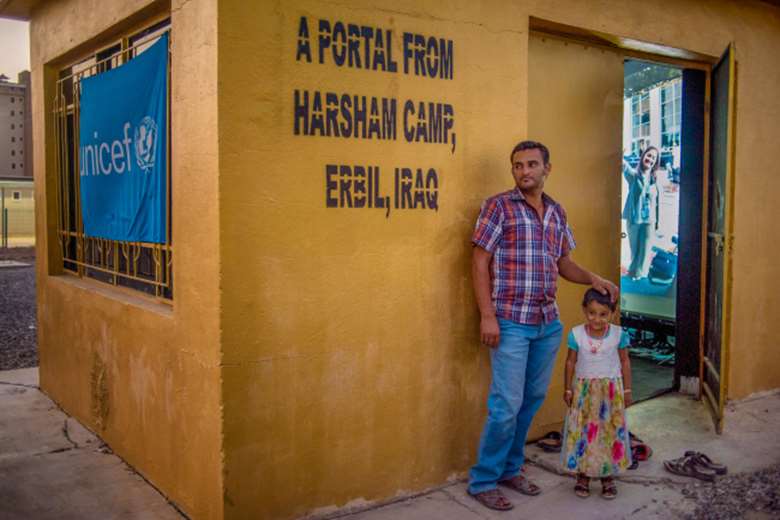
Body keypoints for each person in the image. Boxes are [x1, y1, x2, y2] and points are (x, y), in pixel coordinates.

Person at [468, 140, 619, 511]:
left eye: (532, 164)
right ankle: (483, 480)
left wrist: (594, 279)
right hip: (511, 322)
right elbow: (478, 262)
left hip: (546, 323)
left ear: (547, 168)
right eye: (518, 165)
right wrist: (487, 314)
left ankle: (510, 468)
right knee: (506, 404)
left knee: (531, 399)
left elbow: (563, 263)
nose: (524, 171)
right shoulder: (498, 207)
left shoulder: (556, 212)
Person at [561, 288, 633, 499]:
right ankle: (583, 475)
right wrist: (567, 388)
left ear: (612, 312)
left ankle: (607, 477)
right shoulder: (576, 334)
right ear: (584, 310)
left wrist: (627, 390)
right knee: (583, 432)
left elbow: (625, 361)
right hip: (584, 394)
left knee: (608, 432)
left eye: (603, 314)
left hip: (610, 395)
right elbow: (570, 362)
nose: (597, 319)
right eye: (592, 313)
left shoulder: (620, 335)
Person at [623, 146, 660, 279]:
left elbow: (656, 203)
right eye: (648, 155)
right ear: (643, 156)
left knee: (645, 253)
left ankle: (641, 277)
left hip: (649, 221)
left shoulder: (654, 179)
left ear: (655, 162)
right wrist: (621, 153)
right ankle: (631, 278)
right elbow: (624, 166)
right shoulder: (634, 175)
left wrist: (657, 223)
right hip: (634, 219)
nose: (650, 159)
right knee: (635, 251)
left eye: (653, 158)